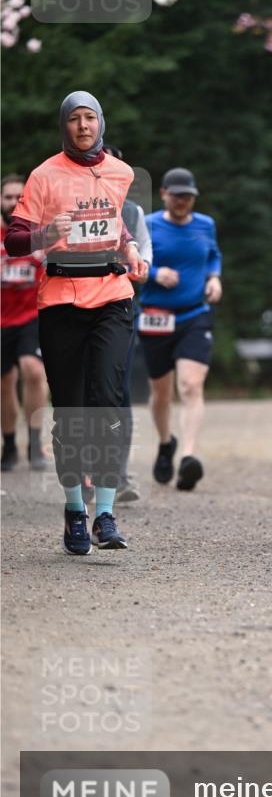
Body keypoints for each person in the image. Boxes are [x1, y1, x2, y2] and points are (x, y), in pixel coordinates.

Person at [5, 91, 147, 553]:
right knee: (69, 414)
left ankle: (105, 513)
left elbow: (114, 223)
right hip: (61, 300)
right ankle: (74, 511)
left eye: (90, 118)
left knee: (106, 405)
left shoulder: (122, 173)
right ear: (64, 125)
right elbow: (15, 240)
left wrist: (128, 248)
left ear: (101, 123)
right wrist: (49, 233)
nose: (83, 126)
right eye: (75, 119)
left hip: (111, 295)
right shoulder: (45, 176)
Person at [140, 167, 222, 491]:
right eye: (176, 196)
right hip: (155, 316)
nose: (182, 201)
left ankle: (188, 457)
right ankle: (165, 443)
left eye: (187, 196)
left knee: (190, 385)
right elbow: (133, 262)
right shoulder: (147, 225)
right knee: (161, 393)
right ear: (163, 194)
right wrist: (156, 273)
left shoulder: (206, 225)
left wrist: (214, 278)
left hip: (194, 314)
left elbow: (213, 255)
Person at [102, 144, 152, 503]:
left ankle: (118, 474)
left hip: (118, 307)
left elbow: (145, 253)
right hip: (73, 308)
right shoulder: (73, 205)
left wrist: (140, 266)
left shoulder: (134, 212)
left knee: (119, 392)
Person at [1, 174, 49, 472]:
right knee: (4, 382)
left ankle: (34, 441)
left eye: (19, 197)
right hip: (1, 320)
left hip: (33, 315)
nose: (13, 202)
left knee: (33, 370)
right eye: (7, 197)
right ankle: (9, 445)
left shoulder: (38, 235)